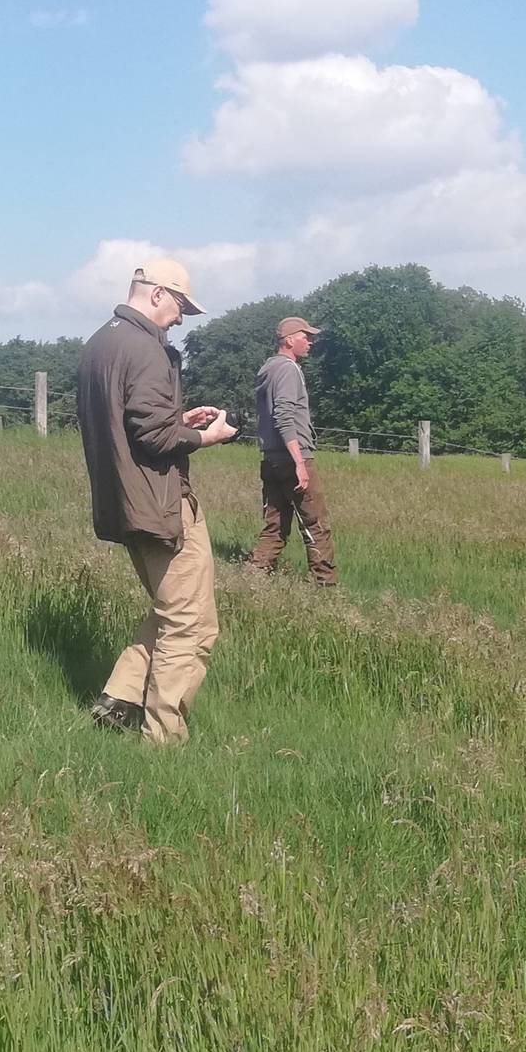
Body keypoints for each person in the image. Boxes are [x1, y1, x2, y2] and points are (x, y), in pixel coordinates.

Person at [77, 258, 240, 743]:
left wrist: (180, 421)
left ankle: (120, 700)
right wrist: (207, 437)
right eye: (181, 306)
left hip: (124, 501)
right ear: (155, 294)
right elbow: (150, 434)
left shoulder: (100, 343)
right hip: (161, 505)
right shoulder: (146, 348)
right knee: (190, 628)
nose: (182, 318)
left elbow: (130, 423)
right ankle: (163, 740)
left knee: (181, 613)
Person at [246, 316, 336, 586]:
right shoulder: (288, 369)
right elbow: (284, 415)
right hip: (294, 458)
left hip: (271, 458)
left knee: (275, 525)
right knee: (316, 525)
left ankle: (254, 579)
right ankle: (326, 586)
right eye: (305, 336)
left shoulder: (268, 369)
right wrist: (299, 462)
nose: (310, 341)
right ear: (289, 340)